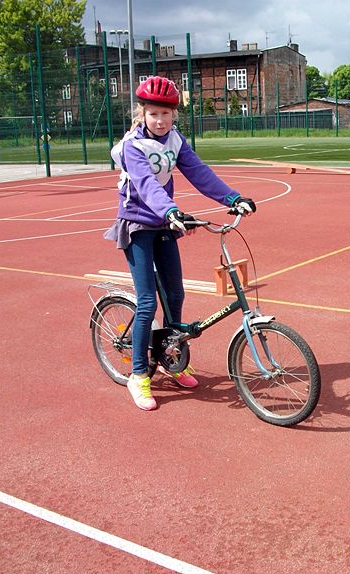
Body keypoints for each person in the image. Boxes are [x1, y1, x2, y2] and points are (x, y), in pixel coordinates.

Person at [104, 76, 256, 411]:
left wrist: (232, 198)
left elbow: (199, 172)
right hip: (138, 224)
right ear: (142, 113)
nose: (160, 120)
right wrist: (171, 210)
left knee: (175, 295)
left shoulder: (175, 140)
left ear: (174, 115)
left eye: (166, 114)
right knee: (147, 302)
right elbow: (146, 186)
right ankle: (139, 375)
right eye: (154, 113)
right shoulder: (133, 146)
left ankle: (173, 359)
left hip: (164, 223)